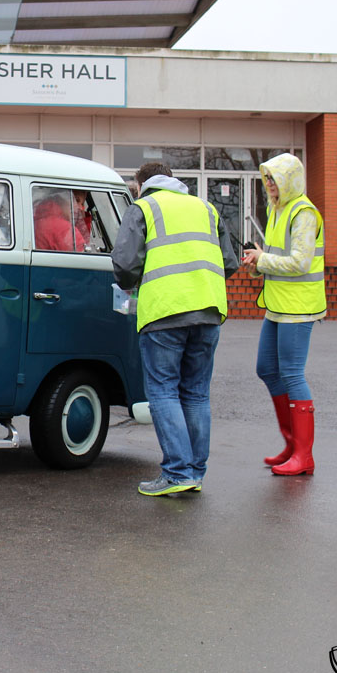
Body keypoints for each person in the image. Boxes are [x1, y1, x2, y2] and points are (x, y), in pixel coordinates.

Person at [113, 162, 239, 496]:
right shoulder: (205, 208)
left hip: (165, 313)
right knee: (196, 393)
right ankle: (194, 472)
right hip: (209, 310)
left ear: (142, 184)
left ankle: (178, 473)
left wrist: (131, 285)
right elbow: (229, 263)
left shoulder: (143, 208)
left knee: (163, 391)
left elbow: (125, 265)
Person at [241, 153, 326, 476]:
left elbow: (301, 263)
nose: (270, 185)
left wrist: (262, 260)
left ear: (290, 179)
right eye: (267, 180)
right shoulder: (277, 210)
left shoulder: (303, 212)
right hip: (278, 304)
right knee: (267, 369)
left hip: (298, 306)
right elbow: (274, 258)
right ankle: (292, 445)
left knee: (291, 374)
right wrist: (256, 263)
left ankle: (303, 455)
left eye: (274, 179)